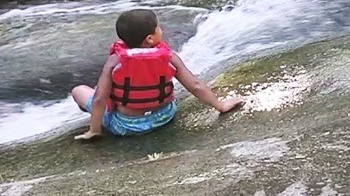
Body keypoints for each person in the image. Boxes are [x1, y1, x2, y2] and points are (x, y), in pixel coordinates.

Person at [70, 8, 243, 140]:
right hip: (164, 116)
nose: (161, 29)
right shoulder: (168, 57)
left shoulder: (115, 61)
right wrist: (220, 106)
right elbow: (195, 85)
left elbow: (100, 98)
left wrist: (94, 131)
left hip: (126, 126)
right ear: (150, 39)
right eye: (158, 28)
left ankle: (97, 122)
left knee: (79, 90)